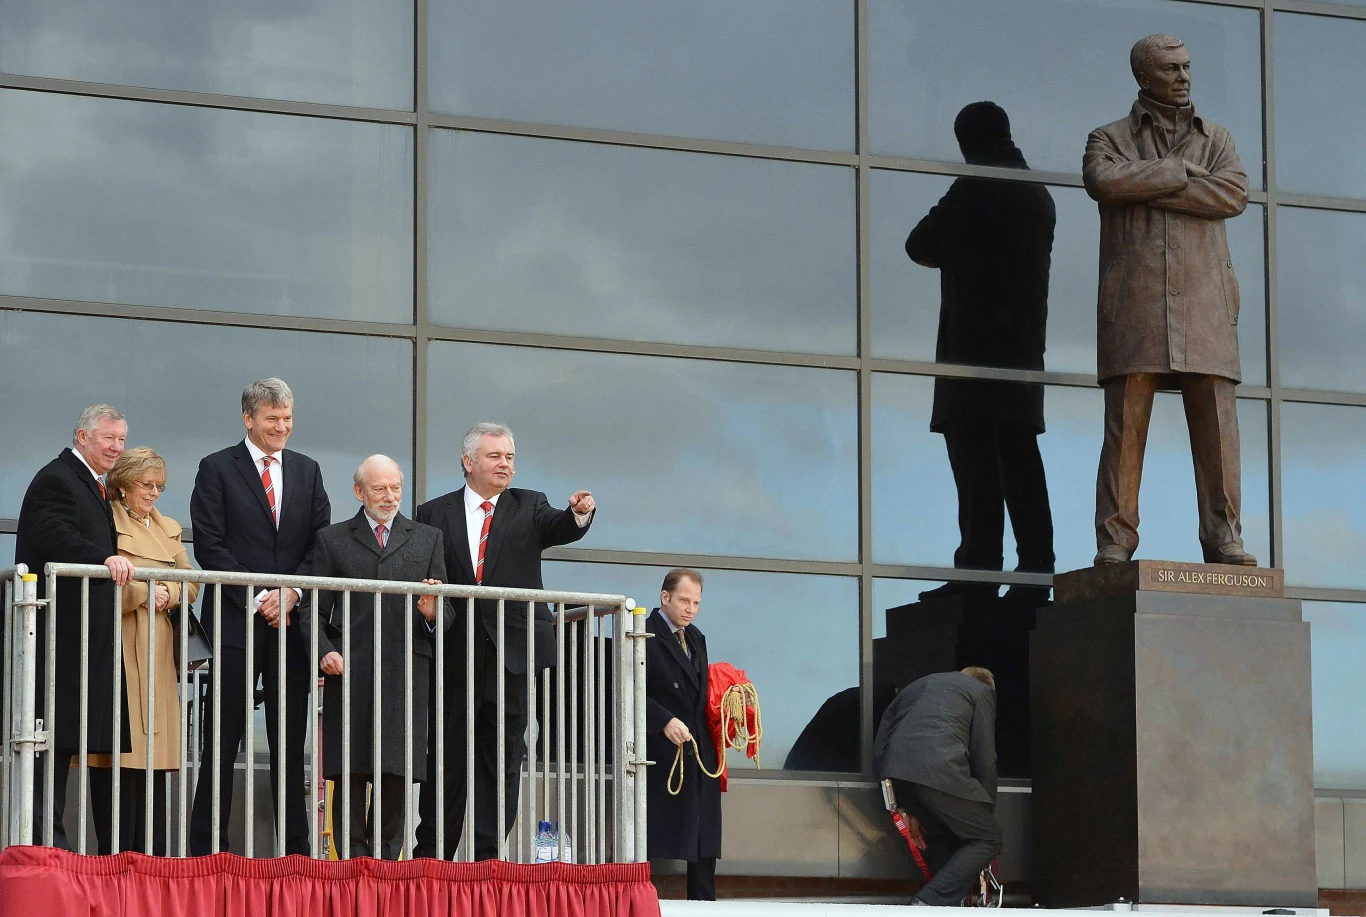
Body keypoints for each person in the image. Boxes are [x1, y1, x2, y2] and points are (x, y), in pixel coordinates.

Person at [1084, 34, 1255, 566]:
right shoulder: (1107, 137)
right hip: (1135, 302)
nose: (1183, 76)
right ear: (1144, 76)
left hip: (1204, 303)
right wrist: (1178, 173)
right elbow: (1102, 181)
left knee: (1217, 424)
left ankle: (1224, 537)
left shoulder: (1218, 139)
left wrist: (1145, 185)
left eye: (1186, 66)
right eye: (1171, 68)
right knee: (1126, 425)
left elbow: (1233, 194)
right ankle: (1116, 539)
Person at [413, 422, 595, 861]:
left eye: (510, 457)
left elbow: (560, 527)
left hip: (512, 657)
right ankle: (432, 855)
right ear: (468, 462)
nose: (504, 465)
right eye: (495, 456)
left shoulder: (529, 505)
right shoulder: (432, 513)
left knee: (503, 760)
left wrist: (579, 514)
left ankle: (489, 856)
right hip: (453, 655)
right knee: (446, 761)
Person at [906, 101, 1056, 598]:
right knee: (1017, 457)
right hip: (1021, 352)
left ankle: (980, 568)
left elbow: (920, 241)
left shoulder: (976, 187)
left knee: (975, 464)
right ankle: (1035, 566)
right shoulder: (1036, 193)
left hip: (973, 351)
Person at [188, 378, 331, 855]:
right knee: (222, 739)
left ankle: (295, 853)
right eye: (272, 418)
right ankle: (207, 849)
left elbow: (321, 545)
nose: (281, 427)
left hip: (290, 625)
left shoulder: (308, 471)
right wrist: (262, 594)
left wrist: (289, 593)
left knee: (289, 743)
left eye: (287, 418)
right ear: (249, 418)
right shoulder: (215, 468)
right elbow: (210, 544)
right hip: (235, 621)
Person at [299, 455, 454, 859]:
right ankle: (350, 862)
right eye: (380, 488)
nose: (389, 497)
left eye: (396, 488)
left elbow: (447, 609)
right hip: (349, 673)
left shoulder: (427, 538)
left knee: (396, 772)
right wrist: (323, 650)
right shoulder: (332, 539)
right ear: (359, 492)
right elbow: (311, 608)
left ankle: (386, 863)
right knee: (348, 771)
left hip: (406, 674)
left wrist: (433, 613)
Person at [15, 404, 134, 850]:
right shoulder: (57, 478)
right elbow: (52, 535)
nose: (117, 448)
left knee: (62, 742)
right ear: (82, 436)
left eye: (122, 439)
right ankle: (47, 848)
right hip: (59, 637)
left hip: (79, 636)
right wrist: (101, 559)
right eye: (109, 438)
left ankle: (54, 845)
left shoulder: (91, 483)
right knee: (48, 744)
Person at [87, 447, 200, 855]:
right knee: (119, 753)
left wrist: (169, 592)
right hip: (120, 642)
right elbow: (99, 584)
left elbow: (192, 582)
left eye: (159, 486)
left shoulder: (167, 525)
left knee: (154, 758)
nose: (153, 492)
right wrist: (142, 592)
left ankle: (152, 858)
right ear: (123, 484)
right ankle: (116, 856)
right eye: (145, 484)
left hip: (160, 649)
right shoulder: (106, 521)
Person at [874, 667, 1000, 907]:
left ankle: (946, 905)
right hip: (940, 769)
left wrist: (901, 805)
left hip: (897, 772)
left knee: (941, 833)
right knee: (987, 838)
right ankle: (929, 902)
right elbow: (985, 755)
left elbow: (880, 745)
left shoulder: (914, 687)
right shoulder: (981, 692)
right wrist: (985, 808)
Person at [643, 569, 722, 901]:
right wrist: (662, 720)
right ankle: (637, 902)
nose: (691, 609)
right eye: (684, 600)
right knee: (645, 831)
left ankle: (704, 903)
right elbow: (622, 688)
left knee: (703, 833)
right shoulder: (642, 633)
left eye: (696, 603)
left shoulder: (697, 637)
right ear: (665, 597)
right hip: (659, 749)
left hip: (697, 748)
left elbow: (700, 693)